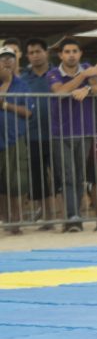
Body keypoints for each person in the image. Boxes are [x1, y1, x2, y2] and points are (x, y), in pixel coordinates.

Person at [47, 37, 97, 232]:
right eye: (67, 51)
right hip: (60, 133)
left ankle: (75, 216)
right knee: (68, 176)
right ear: (61, 54)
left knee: (79, 175)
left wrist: (87, 88)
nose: (71, 55)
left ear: (80, 54)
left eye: (75, 51)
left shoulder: (87, 68)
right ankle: (72, 217)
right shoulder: (53, 73)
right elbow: (60, 92)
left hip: (85, 130)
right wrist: (83, 77)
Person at [21, 38, 59, 229]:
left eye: (38, 51)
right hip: (32, 134)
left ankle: (66, 216)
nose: (35, 55)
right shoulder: (23, 77)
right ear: (27, 56)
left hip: (57, 133)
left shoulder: (57, 73)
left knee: (61, 176)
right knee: (38, 178)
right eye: (31, 52)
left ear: (47, 52)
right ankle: (47, 217)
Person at [0, 46, 34, 234]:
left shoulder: (22, 85)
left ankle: (16, 221)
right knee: (1, 186)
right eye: (3, 58)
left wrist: (5, 104)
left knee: (16, 183)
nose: (7, 61)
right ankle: (5, 220)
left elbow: (28, 111)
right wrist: (4, 84)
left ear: (15, 62)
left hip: (14, 139)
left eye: (10, 58)